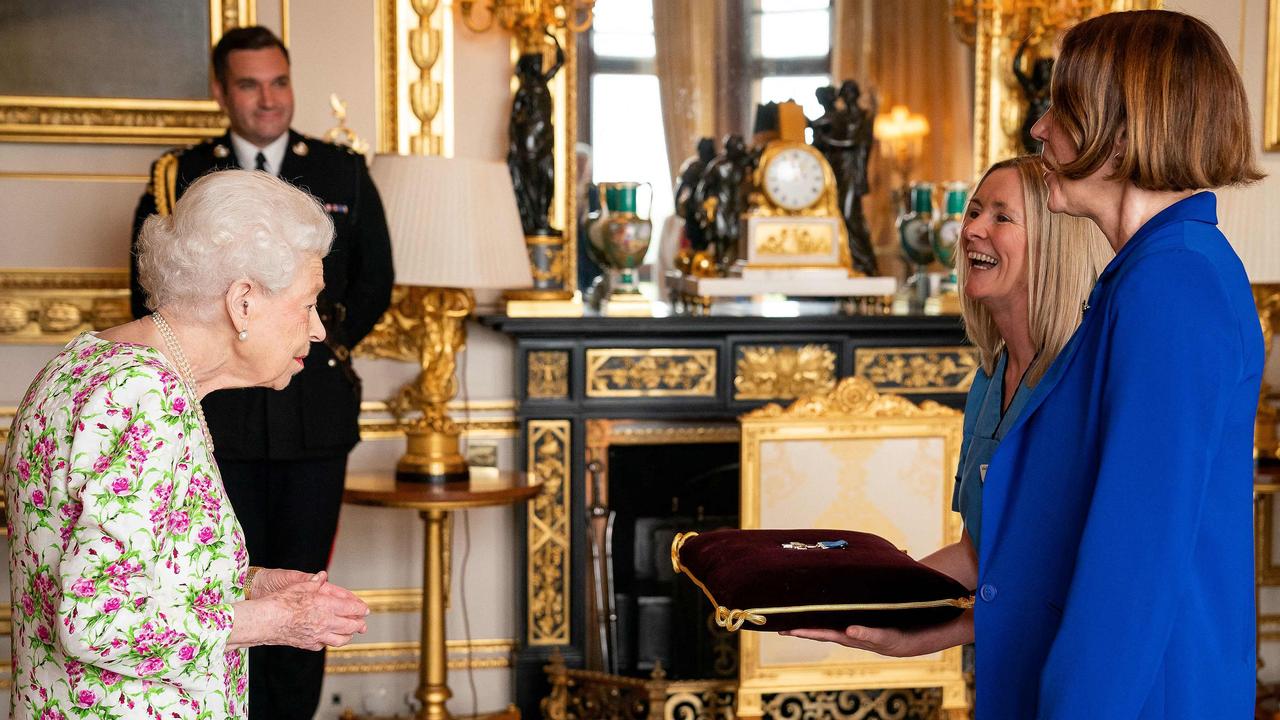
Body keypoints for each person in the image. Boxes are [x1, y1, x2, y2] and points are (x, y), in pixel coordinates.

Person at [970, 11, 1260, 717]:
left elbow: (1136, 562)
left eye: (1062, 108)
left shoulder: (1172, 285)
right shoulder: (1148, 274)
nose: (1040, 130)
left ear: (1125, 129)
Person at [5, 171, 370, 719]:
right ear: (242, 303)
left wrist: (254, 583)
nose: (318, 330)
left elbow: (133, 566)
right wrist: (280, 621)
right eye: (308, 303)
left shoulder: (86, 365)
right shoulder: (145, 397)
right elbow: (102, 623)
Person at [127, 26, 393, 720]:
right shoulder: (177, 177)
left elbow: (374, 284)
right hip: (224, 425)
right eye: (250, 84)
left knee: (300, 592)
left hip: (313, 420)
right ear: (222, 91)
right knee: (214, 584)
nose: (268, 98)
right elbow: (152, 301)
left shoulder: (341, 171)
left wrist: (299, 342)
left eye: (279, 81)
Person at [782, 156, 1110, 660]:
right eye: (974, 212)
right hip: (1006, 659)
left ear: (1054, 243)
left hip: (1078, 658)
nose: (972, 229)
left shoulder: (1082, 381)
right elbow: (981, 555)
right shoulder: (988, 380)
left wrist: (926, 628)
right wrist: (856, 598)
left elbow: (1075, 566)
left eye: (1001, 217)